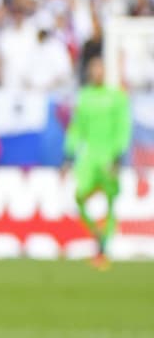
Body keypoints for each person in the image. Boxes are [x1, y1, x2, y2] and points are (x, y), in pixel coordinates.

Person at [64, 56, 130, 270]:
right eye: (94, 69)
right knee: (80, 197)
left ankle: (103, 249)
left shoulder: (116, 97)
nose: (97, 73)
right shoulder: (84, 97)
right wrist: (69, 154)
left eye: (100, 68)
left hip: (108, 156)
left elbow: (123, 128)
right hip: (88, 158)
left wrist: (118, 155)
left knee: (110, 201)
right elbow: (76, 128)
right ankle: (98, 235)